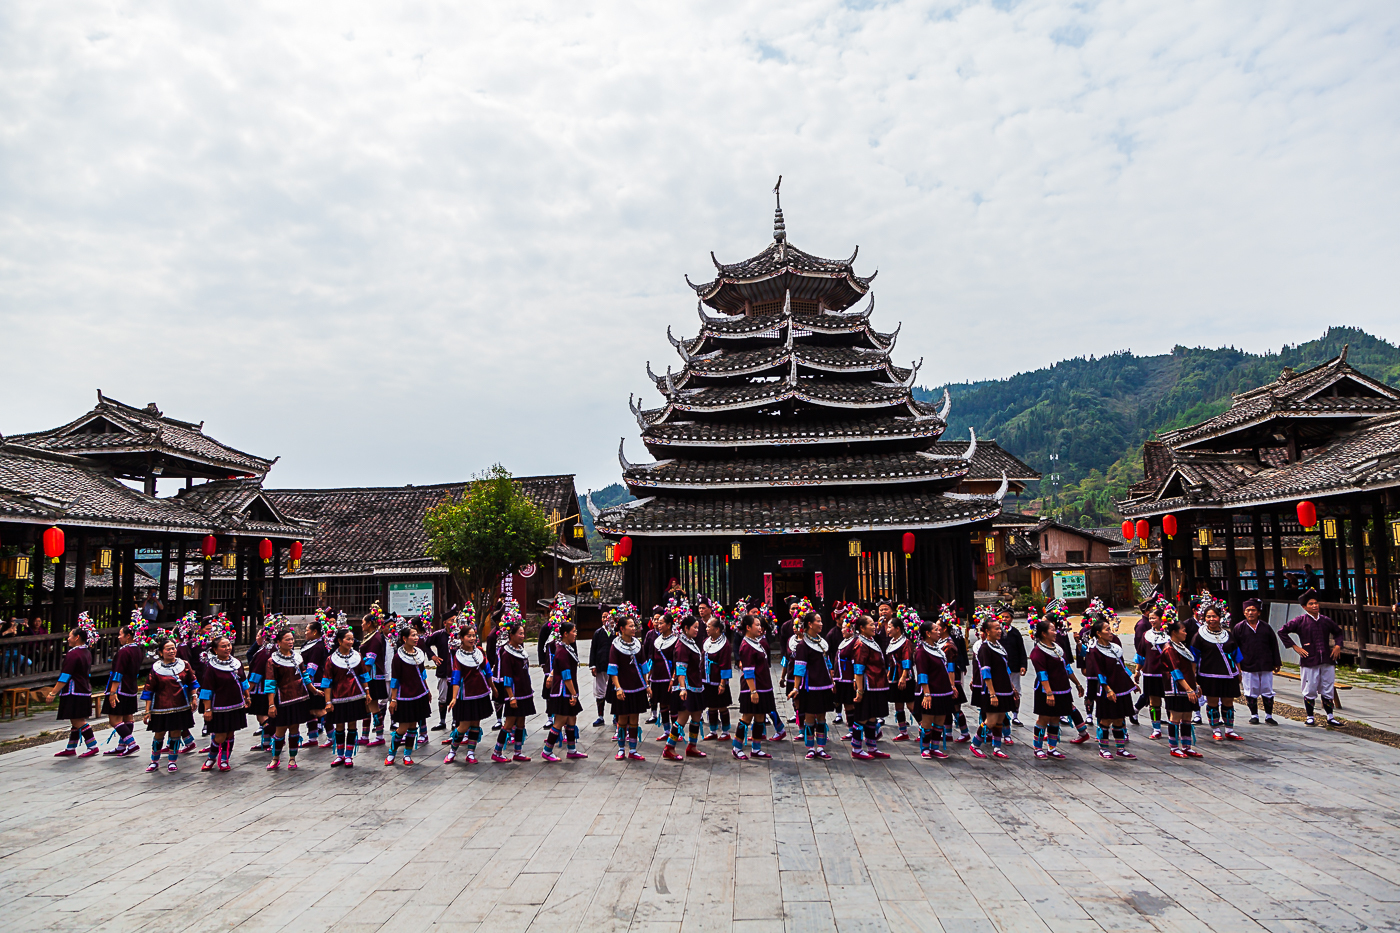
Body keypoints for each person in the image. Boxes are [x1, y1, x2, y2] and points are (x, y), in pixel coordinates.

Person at [1277, 589, 1344, 726]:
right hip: (1309, 660)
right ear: (1304, 607)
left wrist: (1338, 646)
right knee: (1310, 689)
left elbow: (1338, 632)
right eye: (1311, 604)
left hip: (1327, 658)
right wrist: (1295, 647)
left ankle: (1330, 716)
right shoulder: (1300, 621)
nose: (1315, 606)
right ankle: (1310, 716)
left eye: (1316, 603)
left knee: (1328, 688)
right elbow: (1282, 631)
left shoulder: (1325, 620)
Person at [263, 624, 324, 771]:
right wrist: (271, 704)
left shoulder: (297, 657)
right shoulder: (272, 661)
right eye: (287, 639)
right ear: (278, 642)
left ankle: (292, 758)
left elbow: (305, 677)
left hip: (299, 698)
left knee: (294, 729)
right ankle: (275, 758)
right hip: (282, 698)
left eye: (292, 639)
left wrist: (314, 691)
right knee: (280, 730)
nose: (290, 642)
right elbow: (270, 684)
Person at [141, 635, 199, 773]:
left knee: (175, 734)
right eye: (168, 649)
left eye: (173, 648)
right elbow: (149, 689)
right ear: (161, 652)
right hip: (161, 707)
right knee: (158, 735)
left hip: (180, 705)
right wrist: (147, 711)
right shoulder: (156, 669)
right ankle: (154, 761)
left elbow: (192, 682)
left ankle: (172, 761)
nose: (171, 651)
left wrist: (194, 698)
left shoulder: (184, 665)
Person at [1029, 617, 1084, 760]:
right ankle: (1037, 748)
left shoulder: (1057, 647)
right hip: (1046, 690)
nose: (1055, 632)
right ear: (1043, 634)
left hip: (1062, 689)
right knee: (1044, 718)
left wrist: (1077, 684)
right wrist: (1049, 693)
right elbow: (1042, 674)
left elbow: (1067, 668)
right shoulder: (1038, 652)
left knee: (1055, 719)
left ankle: (1052, 748)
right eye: (1052, 630)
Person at [1084, 617, 1136, 760]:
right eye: (1107, 629)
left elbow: (1122, 666)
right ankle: (1103, 748)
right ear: (1099, 633)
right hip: (1107, 690)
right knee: (1106, 720)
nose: (1110, 631)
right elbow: (1099, 672)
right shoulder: (1095, 651)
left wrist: (1131, 682)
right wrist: (1108, 689)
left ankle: (1120, 749)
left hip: (1121, 688)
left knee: (1119, 719)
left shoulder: (1115, 647)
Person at [48, 618, 101, 759]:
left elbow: (65, 675)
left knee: (78, 720)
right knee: (75, 719)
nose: (68, 638)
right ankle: (71, 747)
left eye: (70, 635)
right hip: (84, 688)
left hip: (74, 690)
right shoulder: (86, 652)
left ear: (77, 638)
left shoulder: (73, 654)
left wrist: (53, 692)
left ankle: (92, 745)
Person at [321, 624, 371, 767]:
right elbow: (327, 682)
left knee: (352, 725)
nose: (351, 642)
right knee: (339, 727)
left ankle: (349, 756)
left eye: (352, 639)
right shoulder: (331, 660)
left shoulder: (357, 656)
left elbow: (364, 676)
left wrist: (367, 692)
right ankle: (340, 755)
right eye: (347, 639)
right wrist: (328, 701)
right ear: (339, 641)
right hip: (338, 697)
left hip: (355, 696)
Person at [445, 619, 494, 765]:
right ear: (461, 638)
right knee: (464, 725)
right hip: (466, 694)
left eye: (474, 636)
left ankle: (471, 753)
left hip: (481, 692)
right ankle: (452, 751)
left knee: (476, 724)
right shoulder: (458, 656)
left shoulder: (479, 651)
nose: (472, 638)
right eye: (469, 636)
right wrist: (454, 697)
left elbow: (488, 671)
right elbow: (456, 677)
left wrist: (494, 688)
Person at [198, 634, 249, 772]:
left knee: (230, 733)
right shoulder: (211, 667)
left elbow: (243, 681)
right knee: (220, 735)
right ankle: (211, 757)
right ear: (215, 650)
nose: (227, 648)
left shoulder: (236, 663)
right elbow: (207, 689)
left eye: (228, 645)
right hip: (219, 706)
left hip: (236, 704)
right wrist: (207, 709)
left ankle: (225, 759)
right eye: (223, 646)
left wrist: (247, 697)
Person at [385, 621, 431, 766]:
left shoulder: (419, 654)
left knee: (413, 726)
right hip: (404, 696)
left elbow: (423, 674)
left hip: (419, 693)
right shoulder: (398, 657)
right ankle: (392, 754)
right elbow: (395, 679)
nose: (416, 638)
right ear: (404, 639)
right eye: (412, 635)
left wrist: (427, 689)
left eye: (416, 635)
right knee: (403, 727)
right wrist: (393, 699)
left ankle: (407, 754)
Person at [788, 611, 834, 760]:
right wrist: (796, 687)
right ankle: (810, 748)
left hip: (824, 685)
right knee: (809, 717)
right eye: (818, 621)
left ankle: (821, 747)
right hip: (810, 687)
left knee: (822, 717)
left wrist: (832, 681)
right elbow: (799, 668)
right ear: (809, 624)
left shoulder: (821, 642)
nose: (821, 624)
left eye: (821, 621)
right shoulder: (803, 645)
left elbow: (827, 664)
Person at [1194, 604, 1243, 741]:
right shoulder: (1199, 636)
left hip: (1229, 674)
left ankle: (1229, 729)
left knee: (1228, 702)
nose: (1211, 619)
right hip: (1209, 675)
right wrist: (1194, 678)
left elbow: (1235, 654)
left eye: (1214, 616)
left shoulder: (1228, 634)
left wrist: (1239, 671)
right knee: (1213, 702)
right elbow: (1193, 657)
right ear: (1204, 618)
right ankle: (1215, 729)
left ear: (1219, 617)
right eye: (1208, 616)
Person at [491, 614, 534, 763]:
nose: (522, 636)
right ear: (511, 635)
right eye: (520, 633)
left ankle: (518, 752)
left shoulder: (521, 650)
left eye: (523, 633)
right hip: (514, 694)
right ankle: (497, 751)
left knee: (521, 722)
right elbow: (507, 677)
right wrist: (511, 697)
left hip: (524, 691)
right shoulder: (505, 653)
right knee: (509, 723)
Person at [664, 615, 708, 761]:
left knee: (696, 716)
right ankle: (669, 748)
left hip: (696, 685)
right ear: (686, 629)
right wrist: (683, 688)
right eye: (694, 627)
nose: (697, 630)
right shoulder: (681, 646)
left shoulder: (691, 642)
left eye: (697, 627)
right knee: (682, 718)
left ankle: (692, 746)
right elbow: (680, 669)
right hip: (687, 687)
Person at [607, 614, 651, 761]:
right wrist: (618, 688)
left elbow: (644, 667)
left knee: (634, 720)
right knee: (622, 720)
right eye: (630, 626)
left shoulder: (638, 645)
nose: (634, 628)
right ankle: (621, 749)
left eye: (634, 626)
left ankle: (633, 750)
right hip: (623, 689)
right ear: (622, 629)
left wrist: (646, 685)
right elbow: (613, 669)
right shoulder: (615, 646)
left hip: (637, 688)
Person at [541, 621, 586, 762]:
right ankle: (547, 750)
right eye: (573, 631)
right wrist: (573, 694)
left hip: (568, 689)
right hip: (563, 691)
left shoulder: (565, 648)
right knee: (560, 721)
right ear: (565, 634)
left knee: (572, 718)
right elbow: (566, 676)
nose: (576, 634)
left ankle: (571, 750)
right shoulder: (561, 651)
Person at [971, 614, 1015, 760]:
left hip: (1004, 688)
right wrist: (992, 693)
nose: (999, 630)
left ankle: (997, 747)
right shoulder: (985, 648)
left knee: (1000, 719)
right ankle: (975, 744)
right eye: (996, 628)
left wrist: (1012, 686)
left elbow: (1005, 669)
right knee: (990, 720)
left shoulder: (999, 646)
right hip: (993, 690)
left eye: (1000, 628)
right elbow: (986, 672)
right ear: (987, 631)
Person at [913, 617, 957, 760]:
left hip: (942, 690)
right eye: (935, 630)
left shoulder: (937, 649)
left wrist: (952, 685)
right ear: (927, 633)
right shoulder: (921, 651)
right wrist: (926, 693)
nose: (939, 632)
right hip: (930, 691)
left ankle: (935, 747)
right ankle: (925, 748)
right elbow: (922, 673)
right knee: (927, 720)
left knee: (940, 720)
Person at [1233, 598, 1281, 725]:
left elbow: (1274, 645)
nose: (1250, 613)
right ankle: (1254, 715)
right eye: (1248, 610)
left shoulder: (1266, 628)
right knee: (1250, 690)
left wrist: (1277, 662)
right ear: (1244, 612)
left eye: (1253, 610)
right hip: (1247, 664)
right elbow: (1234, 648)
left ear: (1258, 612)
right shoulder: (1239, 628)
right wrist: (1237, 665)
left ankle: (1269, 715)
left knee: (1267, 689)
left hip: (1265, 663)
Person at [735, 613, 775, 761]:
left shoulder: (756, 642)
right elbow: (748, 671)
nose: (760, 627)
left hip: (762, 686)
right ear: (748, 627)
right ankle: (737, 747)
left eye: (760, 625)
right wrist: (753, 691)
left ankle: (756, 749)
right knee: (747, 717)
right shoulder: (746, 646)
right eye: (757, 625)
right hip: (752, 688)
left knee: (760, 717)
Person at [851, 614, 891, 761]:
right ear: (861, 628)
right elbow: (859, 669)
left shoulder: (871, 641)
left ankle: (872, 747)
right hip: (868, 685)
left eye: (873, 624)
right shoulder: (860, 644)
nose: (874, 627)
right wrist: (860, 690)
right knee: (862, 717)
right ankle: (856, 748)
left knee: (872, 717)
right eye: (870, 625)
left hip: (877, 685)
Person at [1162, 619, 1203, 758]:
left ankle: (1186, 746)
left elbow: (1190, 670)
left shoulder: (1181, 646)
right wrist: (1188, 689)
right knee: (1176, 716)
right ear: (1174, 632)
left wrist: (1195, 685)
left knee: (1187, 716)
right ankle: (1174, 747)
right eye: (1183, 630)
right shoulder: (1169, 649)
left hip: (1188, 687)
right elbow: (1176, 671)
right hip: (1176, 688)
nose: (1186, 633)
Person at [102, 623, 144, 757]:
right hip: (131, 687)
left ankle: (131, 743)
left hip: (120, 688)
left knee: (114, 720)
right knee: (128, 717)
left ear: (128, 636)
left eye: (121, 634)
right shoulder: (138, 649)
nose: (119, 637)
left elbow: (118, 673)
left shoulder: (124, 651)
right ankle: (122, 745)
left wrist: (112, 692)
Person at [1133, 602, 1170, 739]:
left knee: (1170, 701)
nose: (1152, 621)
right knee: (1154, 702)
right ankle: (1156, 728)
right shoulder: (1145, 635)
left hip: (1167, 673)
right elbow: (1141, 654)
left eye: (1155, 618)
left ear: (1162, 619)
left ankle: (1173, 725)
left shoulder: (1170, 634)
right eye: (1150, 618)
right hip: (1150, 672)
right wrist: (1137, 671)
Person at [360, 607, 390, 748]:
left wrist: (361, 674)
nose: (361, 625)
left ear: (369, 624)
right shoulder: (372, 636)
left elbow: (370, 660)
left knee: (373, 706)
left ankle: (379, 736)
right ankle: (364, 735)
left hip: (372, 677)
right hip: (369, 676)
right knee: (367, 706)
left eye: (363, 622)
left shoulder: (375, 638)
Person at [703, 613, 734, 741]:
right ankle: (713, 730)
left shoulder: (725, 645)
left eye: (709, 626)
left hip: (718, 680)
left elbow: (725, 665)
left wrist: (722, 683)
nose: (706, 628)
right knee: (711, 706)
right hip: (707, 679)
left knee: (722, 706)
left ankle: (726, 731)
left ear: (717, 629)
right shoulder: (706, 641)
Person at [884, 612, 915, 742]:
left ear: (898, 629)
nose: (888, 629)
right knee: (898, 705)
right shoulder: (892, 642)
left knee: (911, 704)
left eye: (890, 627)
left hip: (904, 677)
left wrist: (903, 677)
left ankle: (924, 729)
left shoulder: (906, 642)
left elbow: (906, 660)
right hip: (894, 677)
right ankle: (903, 731)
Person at [997, 604, 1028, 729]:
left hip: (1014, 666)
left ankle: (1015, 715)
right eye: (1002, 617)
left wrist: (1023, 665)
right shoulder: (997, 633)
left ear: (1011, 619)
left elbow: (1021, 650)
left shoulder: (1015, 633)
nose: (1004, 619)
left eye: (1007, 617)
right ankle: (1002, 714)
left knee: (1017, 692)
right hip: (1000, 668)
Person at [588, 609, 614, 727]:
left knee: (614, 690)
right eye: (603, 617)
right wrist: (593, 666)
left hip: (613, 667)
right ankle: (600, 716)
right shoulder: (598, 633)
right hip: (600, 665)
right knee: (600, 692)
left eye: (607, 617)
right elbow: (593, 650)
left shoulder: (616, 633)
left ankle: (616, 716)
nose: (605, 619)